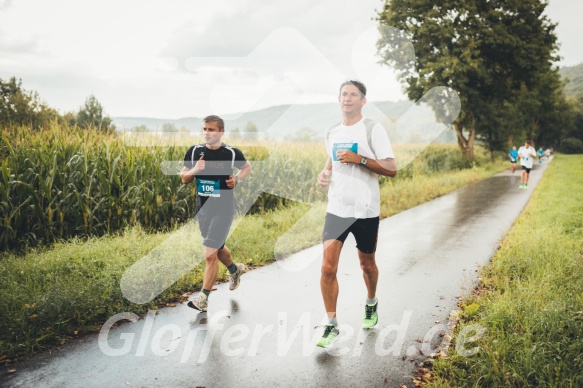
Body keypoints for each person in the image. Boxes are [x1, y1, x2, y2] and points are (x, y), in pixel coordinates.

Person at [315, 80, 397, 348]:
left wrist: (360, 159)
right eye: (344, 94)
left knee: (367, 265)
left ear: (363, 101)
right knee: (328, 267)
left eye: (354, 94)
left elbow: (391, 167)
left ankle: (371, 303)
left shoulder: (372, 129)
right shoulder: (331, 131)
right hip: (337, 209)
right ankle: (331, 324)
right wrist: (325, 172)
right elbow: (332, 159)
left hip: (365, 211)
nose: (347, 98)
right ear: (338, 100)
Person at [180, 115, 252, 312]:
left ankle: (203, 298)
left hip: (224, 208)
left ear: (221, 132)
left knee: (210, 253)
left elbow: (247, 167)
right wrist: (195, 169)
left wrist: (237, 179)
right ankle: (234, 270)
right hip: (203, 209)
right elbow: (184, 179)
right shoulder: (195, 151)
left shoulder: (230, 153)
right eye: (204, 129)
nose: (207, 133)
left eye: (211, 129)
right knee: (217, 247)